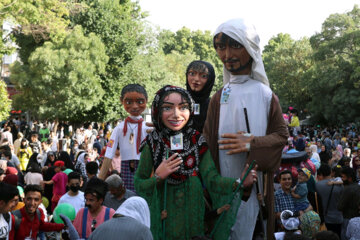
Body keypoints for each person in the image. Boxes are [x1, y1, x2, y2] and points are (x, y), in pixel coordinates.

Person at [134, 85, 258, 240]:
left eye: (183, 107)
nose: (176, 114)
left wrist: (239, 182)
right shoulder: (152, 142)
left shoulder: (197, 140)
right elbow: (139, 184)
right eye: (167, 108)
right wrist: (158, 177)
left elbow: (212, 179)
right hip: (164, 214)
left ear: (191, 109)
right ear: (158, 111)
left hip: (193, 211)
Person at [203, 18, 288, 239]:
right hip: (222, 186)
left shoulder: (266, 95)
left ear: (250, 48)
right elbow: (206, 143)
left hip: (256, 188)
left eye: (235, 45)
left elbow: (281, 136)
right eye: (221, 47)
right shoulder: (219, 97)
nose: (227, 54)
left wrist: (253, 143)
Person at [99, 84, 149, 192]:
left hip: (146, 167)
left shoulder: (148, 128)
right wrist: (99, 181)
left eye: (140, 102)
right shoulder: (119, 128)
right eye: (129, 102)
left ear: (146, 100)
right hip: (126, 168)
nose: (135, 106)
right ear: (121, 101)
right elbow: (109, 154)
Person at [185, 60, 215, 133]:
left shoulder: (215, 106)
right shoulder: (178, 101)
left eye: (203, 76)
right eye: (192, 74)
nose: (196, 79)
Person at [315, 164, 343, 238]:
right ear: (331, 172)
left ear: (320, 174)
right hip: (338, 218)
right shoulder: (339, 185)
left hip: (324, 219)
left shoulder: (317, 185)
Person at [337, 167, 360, 240]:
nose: (342, 179)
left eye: (343, 177)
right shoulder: (357, 186)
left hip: (348, 218)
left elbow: (340, 207)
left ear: (349, 178)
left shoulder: (348, 189)